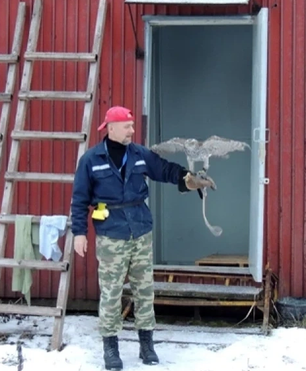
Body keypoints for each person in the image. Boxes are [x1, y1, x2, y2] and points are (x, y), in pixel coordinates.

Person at [70, 105, 214, 370]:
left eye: (132, 126)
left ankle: (147, 344)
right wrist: (79, 233)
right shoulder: (91, 159)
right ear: (111, 128)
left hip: (140, 229)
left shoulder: (139, 154)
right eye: (127, 126)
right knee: (111, 292)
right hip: (111, 232)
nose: (132, 131)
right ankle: (110, 347)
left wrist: (188, 178)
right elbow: (79, 200)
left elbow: (165, 170)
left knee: (144, 289)